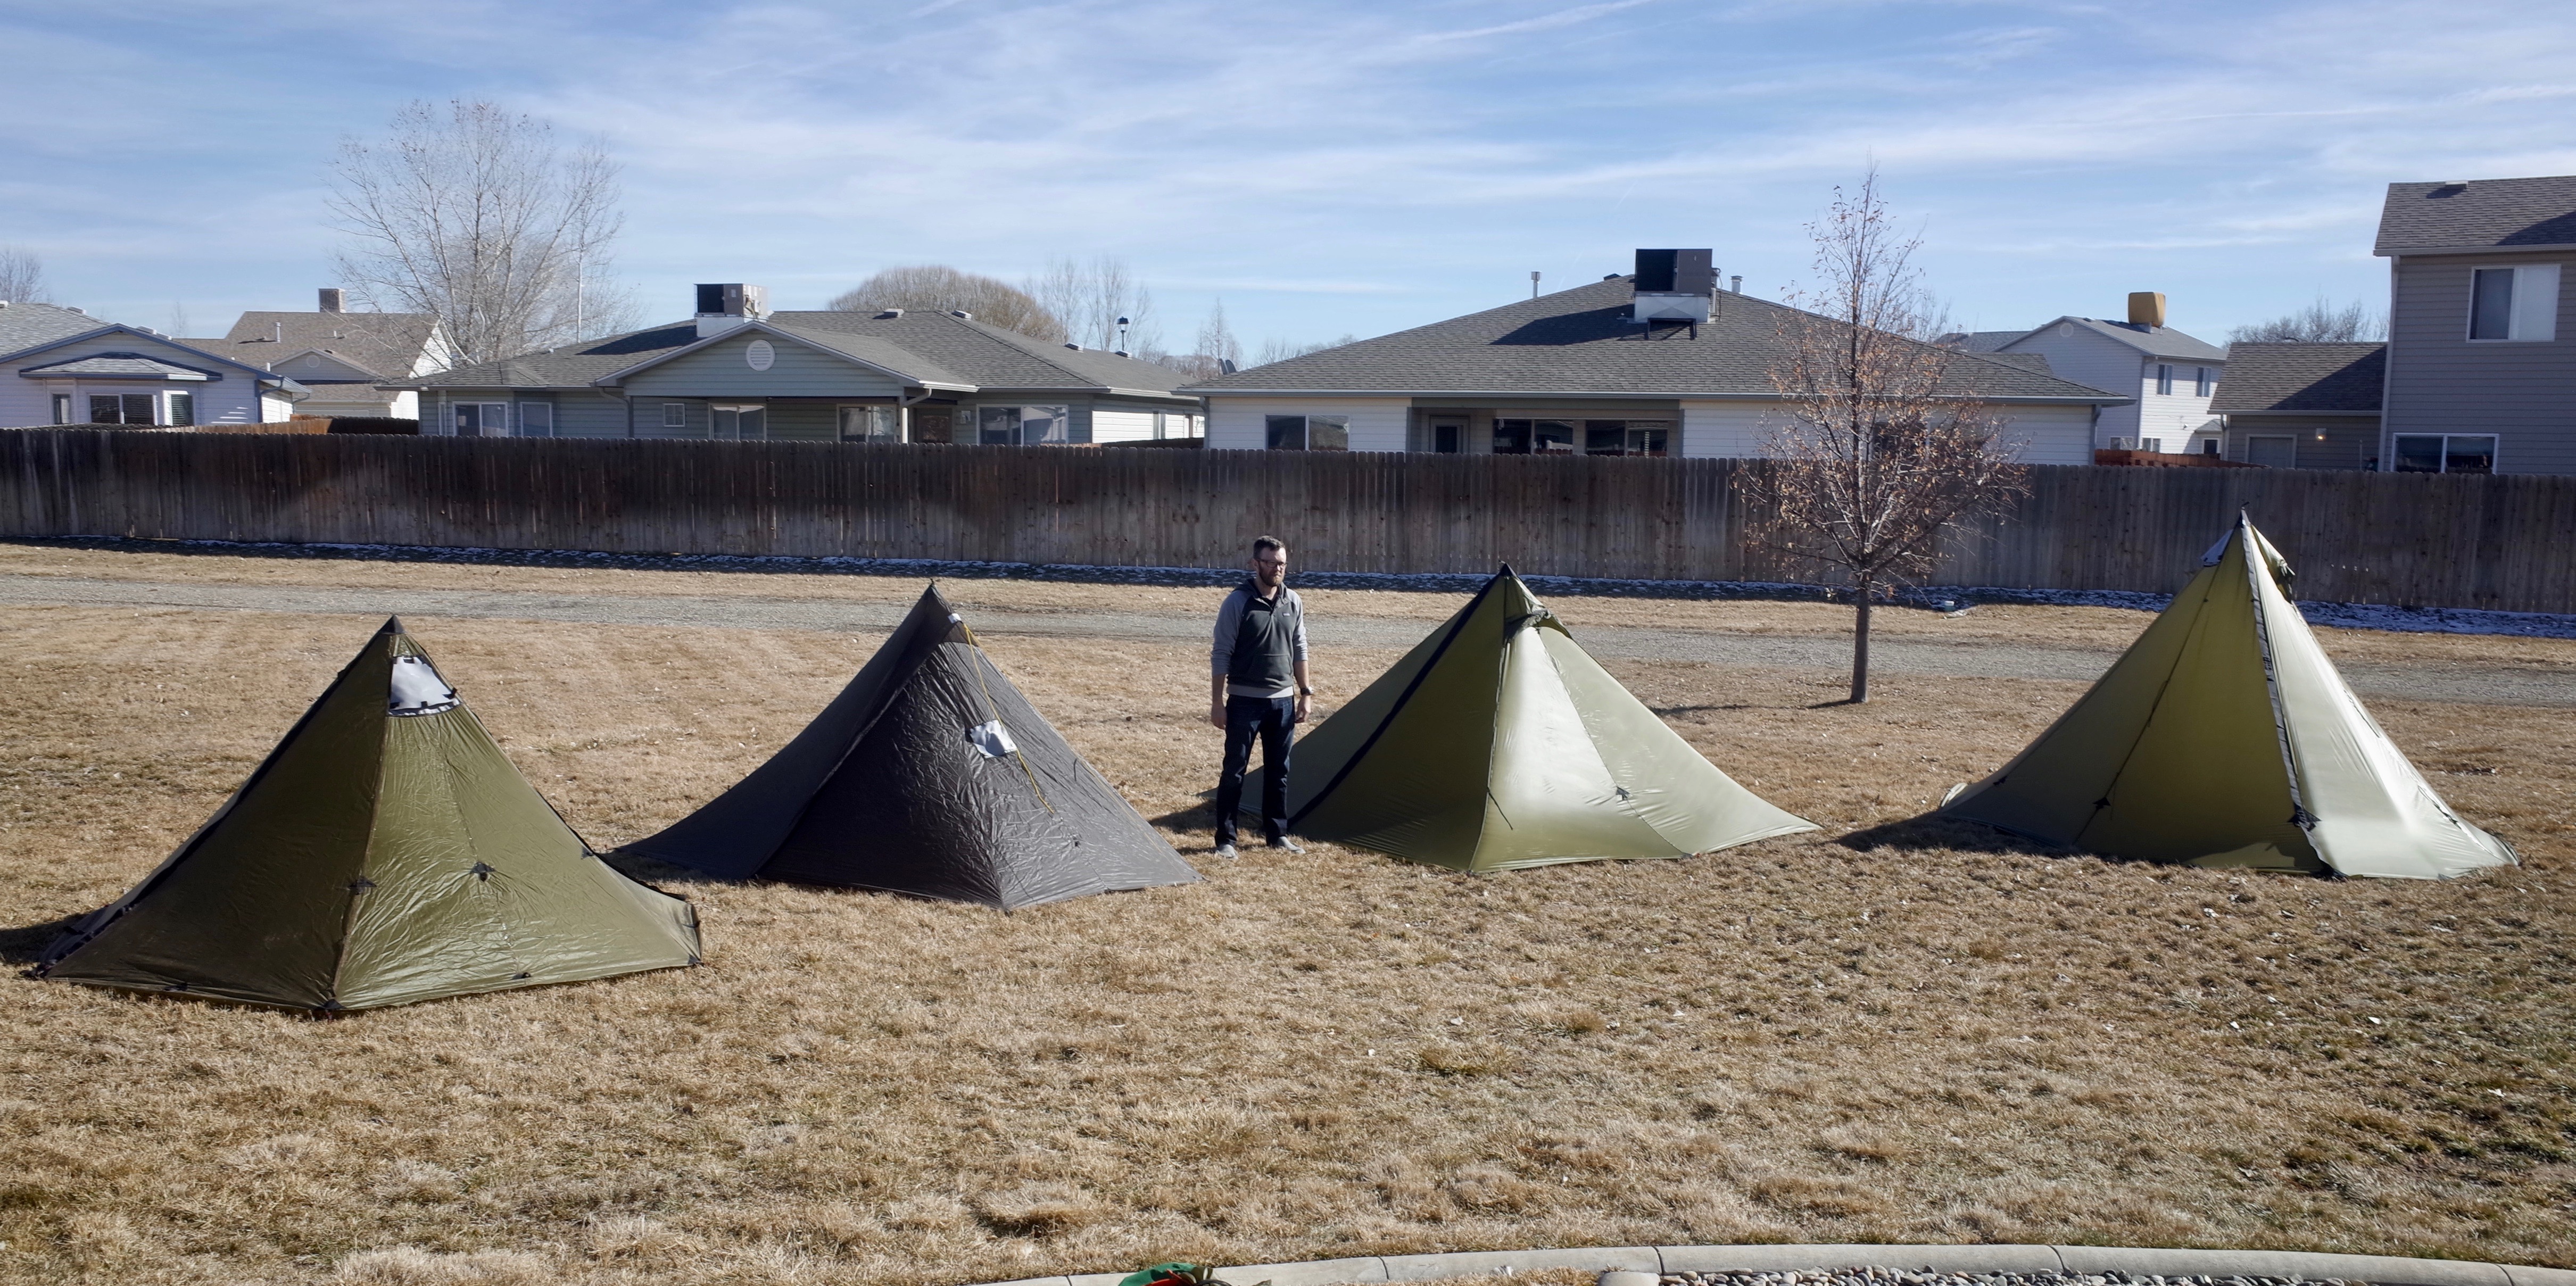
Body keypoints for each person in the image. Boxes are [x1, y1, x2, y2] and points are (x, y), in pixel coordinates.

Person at [1210, 535, 1311, 858]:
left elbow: (1300, 648)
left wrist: (1305, 693)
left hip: (1283, 702)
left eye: (1282, 564)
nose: (1277, 569)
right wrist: (1217, 703)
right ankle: (1226, 840)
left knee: (1279, 771)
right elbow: (1221, 653)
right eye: (1271, 563)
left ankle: (1277, 834)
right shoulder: (1237, 602)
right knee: (1234, 771)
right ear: (1255, 564)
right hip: (1244, 701)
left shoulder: (1292, 601)